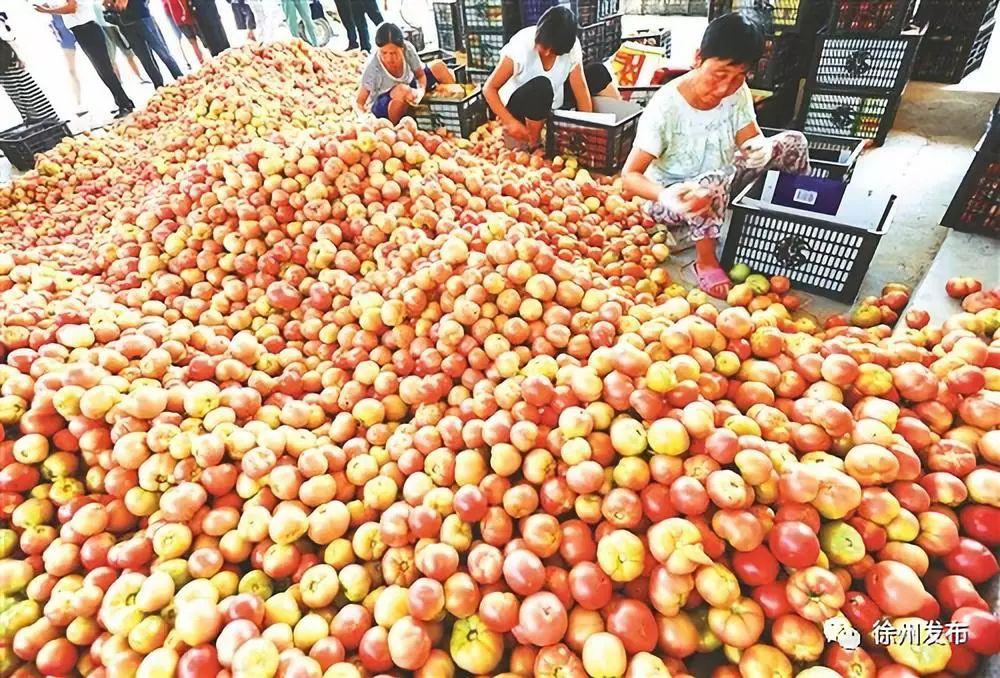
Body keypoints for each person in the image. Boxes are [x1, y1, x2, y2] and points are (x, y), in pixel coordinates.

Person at [621, 12, 809, 299]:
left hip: (723, 181)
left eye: (738, 77)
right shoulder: (666, 107)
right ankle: (705, 259)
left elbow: (749, 137)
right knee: (711, 182)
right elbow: (629, 177)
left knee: (794, 142)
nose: (725, 88)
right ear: (698, 58)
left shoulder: (737, 92)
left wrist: (761, 149)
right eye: (719, 74)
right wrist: (665, 195)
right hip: (677, 200)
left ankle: (784, 223)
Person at [482, 7, 618, 152]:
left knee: (598, 72)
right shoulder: (520, 47)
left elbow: (580, 88)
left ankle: (619, 128)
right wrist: (509, 122)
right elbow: (489, 89)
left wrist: (586, 128)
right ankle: (534, 145)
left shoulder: (571, 47)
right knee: (542, 86)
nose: (547, 53)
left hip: (552, 105)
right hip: (519, 109)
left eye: (554, 51)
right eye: (545, 46)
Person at [34, 0, 135, 117]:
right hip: (82, 31)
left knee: (105, 70)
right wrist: (46, 7)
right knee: (103, 71)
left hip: (87, 30)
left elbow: (72, 8)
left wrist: (47, 11)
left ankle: (125, 104)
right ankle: (122, 102)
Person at [356, 22, 454, 124]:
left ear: (402, 48)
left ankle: (454, 112)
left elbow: (420, 75)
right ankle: (397, 129)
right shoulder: (373, 67)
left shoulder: (408, 49)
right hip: (384, 106)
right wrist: (365, 120)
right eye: (384, 53)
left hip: (409, 88)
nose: (389, 58)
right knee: (402, 90)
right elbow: (359, 102)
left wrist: (421, 90)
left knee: (439, 67)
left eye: (394, 53)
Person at [104, 0, 184, 87]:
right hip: (126, 26)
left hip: (143, 17)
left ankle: (181, 79)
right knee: (145, 59)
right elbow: (106, 13)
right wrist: (115, 13)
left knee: (162, 52)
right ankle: (159, 87)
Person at [0, 23, 60, 123]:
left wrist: (19, 56)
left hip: (7, 61)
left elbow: (6, 35)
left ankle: (40, 122)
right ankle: (46, 122)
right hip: (7, 61)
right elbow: (7, 36)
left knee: (22, 94)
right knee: (25, 92)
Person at [91, 0, 148, 84]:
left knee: (128, 52)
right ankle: (119, 82)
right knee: (111, 57)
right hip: (103, 26)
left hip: (115, 22)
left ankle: (140, 77)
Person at [46, 14, 87, 114]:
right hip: (63, 33)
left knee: (98, 63)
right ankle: (79, 102)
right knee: (71, 70)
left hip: (77, 25)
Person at [160, 0, 205, 66]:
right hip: (187, 13)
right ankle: (208, 62)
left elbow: (166, 8)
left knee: (193, 42)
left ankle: (203, 63)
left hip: (178, 17)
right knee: (203, 37)